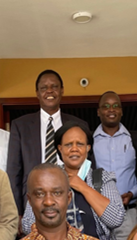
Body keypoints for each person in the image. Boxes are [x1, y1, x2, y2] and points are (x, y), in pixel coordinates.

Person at [22, 122, 124, 240]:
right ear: (60, 148)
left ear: (88, 147)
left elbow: (116, 219)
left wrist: (83, 187)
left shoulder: (101, 178)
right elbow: (27, 224)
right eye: (68, 145)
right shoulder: (47, 179)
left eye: (80, 144)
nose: (74, 149)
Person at [6, 69, 87, 214]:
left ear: (62, 91)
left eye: (54, 87)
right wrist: (18, 212)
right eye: (44, 88)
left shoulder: (78, 124)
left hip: (71, 200)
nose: (49, 91)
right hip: (33, 203)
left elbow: (87, 165)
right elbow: (14, 173)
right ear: (37, 93)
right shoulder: (20, 125)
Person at [93, 91, 137, 240]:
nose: (111, 109)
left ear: (121, 111)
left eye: (116, 106)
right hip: (99, 213)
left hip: (129, 214)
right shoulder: (89, 141)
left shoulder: (135, 139)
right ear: (99, 112)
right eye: (106, 106)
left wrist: (131, 193)